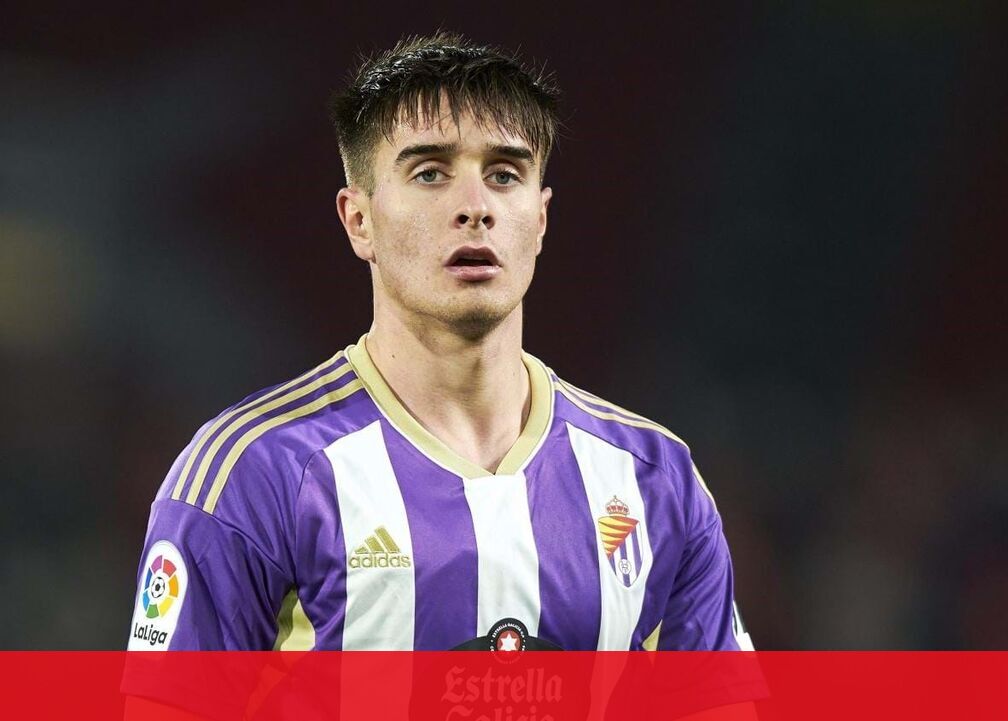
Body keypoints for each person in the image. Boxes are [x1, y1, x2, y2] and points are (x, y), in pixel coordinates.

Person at [126, 28, 752, 668]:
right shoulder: (255, 472)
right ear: (359, 220)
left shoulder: (653, 479)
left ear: (540, 220)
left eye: (504, 175)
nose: (475, 207)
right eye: (430, 173)